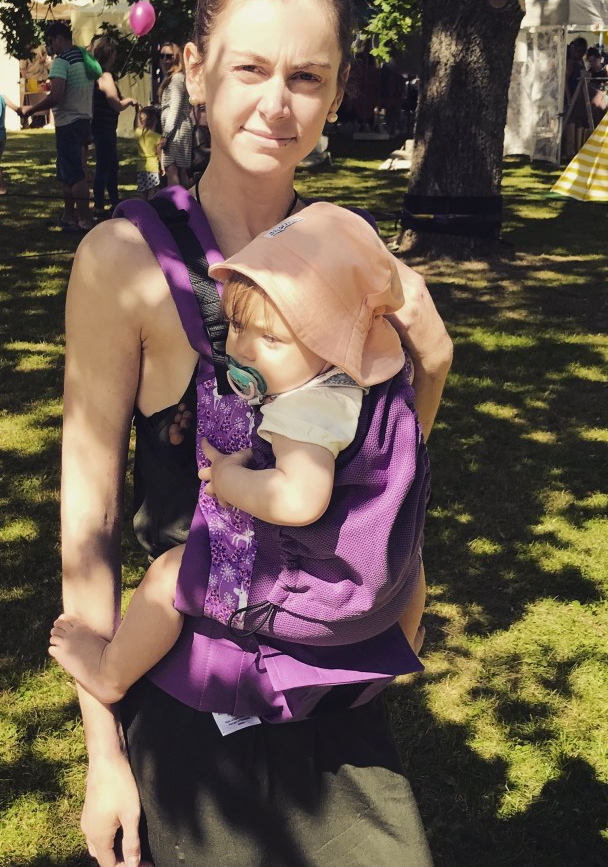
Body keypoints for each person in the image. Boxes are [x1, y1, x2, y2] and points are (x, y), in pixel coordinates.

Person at [57, 0, 453, 867]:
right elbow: (89, 519)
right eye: (251, 69)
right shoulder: (124, 261)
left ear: (338, 91)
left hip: (339, 696)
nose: (278, 103)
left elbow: (384, 471)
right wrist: (104, 752)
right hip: (191, 713)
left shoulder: (342, 255)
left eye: (308, 78)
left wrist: (433, 370)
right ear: (195, 72)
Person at [50, 201, 430, 705]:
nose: (243, 349)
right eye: (235, 324)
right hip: (384, 591)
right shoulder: (379, 379)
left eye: (270, 337)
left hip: (314, 599)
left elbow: (299, 499)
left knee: (168, 576)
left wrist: (229, 481)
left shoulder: (305, 410)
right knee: (416, 561)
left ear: (330, 341)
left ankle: (109, 673)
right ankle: (403, 644)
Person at [23, 22, 95, 230]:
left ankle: (85, 221)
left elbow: (55, 96)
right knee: (66, 172)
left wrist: (31, 109)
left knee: (76, 175)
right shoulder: (84, 58)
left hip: (68, 123)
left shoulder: (62, 62)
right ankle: (68, 216)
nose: (49, 47)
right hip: (84, 120)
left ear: (59, 39)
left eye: (50, 42)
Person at [89, 36, 137, 216]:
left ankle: (113, 200)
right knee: (104, 167)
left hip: (100, 126)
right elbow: (115, 103)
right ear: (110, 55)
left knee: (110, 165)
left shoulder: (95, 76)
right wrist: (129, 101)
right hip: (105, 128)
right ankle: (100, 204)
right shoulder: (106, 77)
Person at [157, 40, 194, 186]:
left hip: (176, 131)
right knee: (181, 173)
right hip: (178, 129)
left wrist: (166, 135)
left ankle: (175, 200)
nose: (165, 60)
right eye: (162, 56)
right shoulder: (174, 78)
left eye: (169, 56)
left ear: (177, 58)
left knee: (171, 171)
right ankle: (186, 200)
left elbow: (175, 107)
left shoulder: (176, 79)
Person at [132, 104, 162, 199]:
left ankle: (143, 206)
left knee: (143, 192)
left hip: (140, 167)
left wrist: (137, 112)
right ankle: (150, 207)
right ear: (155, 121)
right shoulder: (157, 137)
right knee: (152, 192)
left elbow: (136, 125)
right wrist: (162, 167)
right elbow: (159, 154)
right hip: (153, 167)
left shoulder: (138, 133)